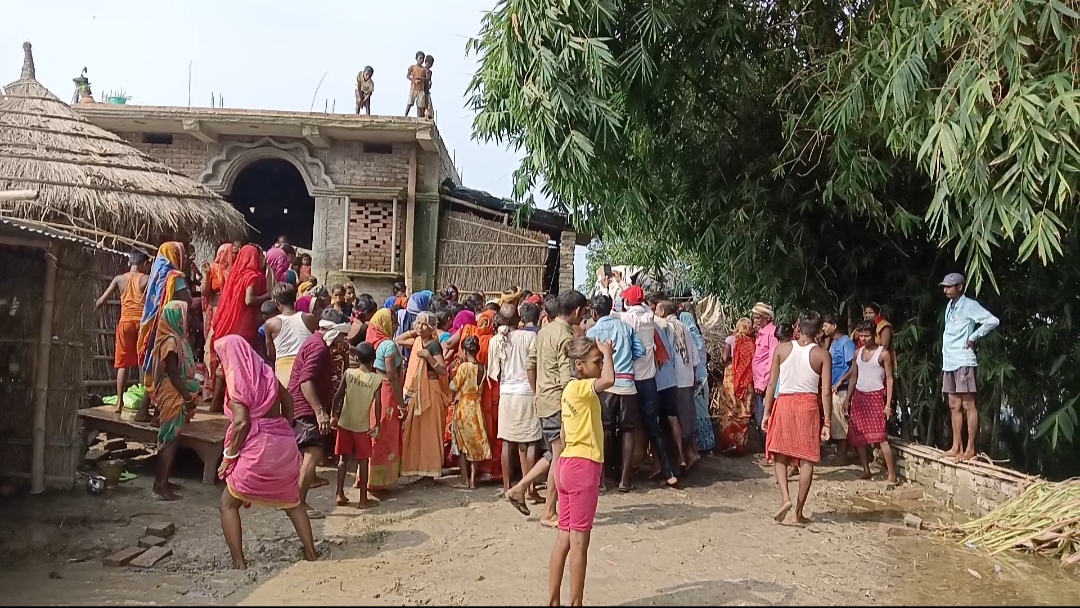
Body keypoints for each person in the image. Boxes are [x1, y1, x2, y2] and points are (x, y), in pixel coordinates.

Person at [214, 335, 317, 568]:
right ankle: (312, 554)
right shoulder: (265, 373)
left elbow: (241, 422)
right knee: (293, 502)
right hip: (283, 445)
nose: (220, 363)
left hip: (259, 449)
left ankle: (239, 563)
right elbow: (288, 400)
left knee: (228, 504)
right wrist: (285, 428)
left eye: (221, 358)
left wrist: (229, 457)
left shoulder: (238, 383)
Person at [510, 291, 589, 526]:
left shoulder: (545, 330)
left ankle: (520, 488)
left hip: (545, 400)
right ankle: (549, 511)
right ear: (577, 311)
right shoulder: (566, 336)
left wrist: (537, 392)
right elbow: (566, 379)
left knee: (554, 453)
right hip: (558, 403)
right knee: (559, 456)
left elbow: (530, 364)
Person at [547, 336, 615, 607]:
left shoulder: (569, 391)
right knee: (579, 542)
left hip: (566, 465)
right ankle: (575, 603)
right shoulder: (583, 388)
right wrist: (608, 353)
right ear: (579, 365)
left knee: (564, 537)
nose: (600, 366)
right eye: (596, 362)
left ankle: (553, 601)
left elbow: (564, 435)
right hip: (583, 466)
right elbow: (609, 380)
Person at [762, 312, 833, 524]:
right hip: (808, 406)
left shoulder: (782, 349)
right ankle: (798, 513)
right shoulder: (822, 355)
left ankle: (785, 498)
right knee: (807, 459)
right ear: (819, 331)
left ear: (797, 327)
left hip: (784, 403)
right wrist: (827, 422)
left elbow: (772, 383)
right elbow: (826, 392)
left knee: (780, 455)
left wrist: (766, 412)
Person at [615, 286, 678, 487]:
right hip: (649, 381)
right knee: (653, 427)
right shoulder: (650, 317)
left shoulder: (627, 318)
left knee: (626, 426)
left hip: (631, 380)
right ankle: (668, 471)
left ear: (628, 302)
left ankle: (622, 472)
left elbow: (613, 314)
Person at [585, 294, 644, 492]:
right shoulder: (626, 328)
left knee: (604, 430)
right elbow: (641, 351)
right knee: (628, 431)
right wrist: (625, 358)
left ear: (594, 312)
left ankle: (602, 479)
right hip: (627, 385)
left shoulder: (593, 331)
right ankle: (625, 480)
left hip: (605, 386)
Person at [289, 322, 348, 519]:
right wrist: (319, 411)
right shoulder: (319, 348)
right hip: (306, 406)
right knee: (312, 453)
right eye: (340, 336)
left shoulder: (314, 342)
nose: (341, 341)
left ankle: (293, 500)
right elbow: (305, 381)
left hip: (301, 405)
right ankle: (298, 503)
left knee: (307, 454)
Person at [939, 273, 999, 461]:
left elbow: (992, 321)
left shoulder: (970, 305)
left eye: (949, 286)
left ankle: (970, 449)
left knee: (968, 404)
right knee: (954, 405)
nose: (945, 290)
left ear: (960, 287)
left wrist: (973, 337)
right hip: (949, 361)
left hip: (963, 360)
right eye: (944, 286)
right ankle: (956, 446)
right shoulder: (950, 306)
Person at [489, 303, 543, 501]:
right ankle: (529, 489)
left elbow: (493, 373)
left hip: (507, 394)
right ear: (518, 318)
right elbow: (535, 366)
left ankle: (507, 488)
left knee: (507, 442)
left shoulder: (495, 340)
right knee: (530, 442)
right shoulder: (530, 337)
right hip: (527, 393)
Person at [135, 242, 192, 422]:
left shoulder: (156, 273)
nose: (185, 258)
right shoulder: (175, 276)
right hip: (169, 326)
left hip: (154, 327)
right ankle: (158, 415)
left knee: (157, 367)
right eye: (182, 254)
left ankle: (145, 411)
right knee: (168, 369)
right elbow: (186, 300)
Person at [148, 301, 199, 500]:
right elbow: (172, 372)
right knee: (169, 438)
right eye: (185, 315)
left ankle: (164, 480)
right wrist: (187, 397)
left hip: (176, 391)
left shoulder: (177, 339)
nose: (187, 319)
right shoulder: (170, 342)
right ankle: (160, 484)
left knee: (173, 437)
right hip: (173, 392)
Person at [211, 245, 270, 412]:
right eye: (260, 256)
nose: (262, 260)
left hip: (230, 324)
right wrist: (268, 295)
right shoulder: (252, 276)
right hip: (244, 327)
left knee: (226, 364)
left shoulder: (236, 274)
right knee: (239, 365)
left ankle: (216, 403)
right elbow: (249, 300)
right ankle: (236, 405)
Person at [397, 311, 450, 481]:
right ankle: (418, 470)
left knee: (430, 433)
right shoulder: (418, 342)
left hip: (431, 391)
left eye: (424, 324)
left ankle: (430, 472)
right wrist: (415, 331)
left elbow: (442, 370)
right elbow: (398, 339)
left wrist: (428, 357)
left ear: (432, 327)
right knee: (416, 432)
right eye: (418, 323)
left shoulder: (433, 345)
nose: (420, 326)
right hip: (417, 392)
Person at [96, 249, 151, 408]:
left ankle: (119, 401)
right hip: (142, 324)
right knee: (144, 362)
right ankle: (145, 403)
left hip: (125, 323)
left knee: (122, 365)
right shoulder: (146, 279)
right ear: (144, 264)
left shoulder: (119, 279)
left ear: (129, 262)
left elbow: (101, 301)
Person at [844, 321, 898, 482]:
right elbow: (854, 376)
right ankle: (866, 469)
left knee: (881, 437)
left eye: (866, 335)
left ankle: (892, 474)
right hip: (859, 396)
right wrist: (848, 398)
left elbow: (889, 379)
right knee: (859, 436)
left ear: (874, 335)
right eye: (861, 335)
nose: (863, 338)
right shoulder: (858, 352)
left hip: (876, 396)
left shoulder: (883, 354)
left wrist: (888, 404)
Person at [331, 342, 382, 507]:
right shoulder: (377, 379)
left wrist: (334, 415)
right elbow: (378, 404)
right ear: (373, 359)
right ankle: (363, 499)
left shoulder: (349, 373)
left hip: (345, 422)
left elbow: (338, 396)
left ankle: (339, 493)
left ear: (357, 358)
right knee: (363, 460)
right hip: (362, 426)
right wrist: (378, 424)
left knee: (343, 458)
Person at [656, 301, 701, 470]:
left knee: (676, 419)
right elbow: (695, 355)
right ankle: (691, 453)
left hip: (674, 380)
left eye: (657, 309)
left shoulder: (666, 327)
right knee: (687, 417)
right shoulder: (685, 326)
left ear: (662, 311)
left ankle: (684, 456)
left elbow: (668, 354)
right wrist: (692, 374)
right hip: (687, 377)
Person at [365, 309, 406, 492]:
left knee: (375, 431)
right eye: (393, 322)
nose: (396, 326)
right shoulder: (388, 345)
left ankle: (367, 477)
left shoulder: (375, 343)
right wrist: (402, 403)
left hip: (376, 387)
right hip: (387, 392)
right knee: (386, 434)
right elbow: (392, 374)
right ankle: (379, 481)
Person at [450, 336, 491, 488]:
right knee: (475, 444)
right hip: (476, 408)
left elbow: (453, 386)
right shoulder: (482, 367)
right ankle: (473, 480)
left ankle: (464, 480)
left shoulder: (464, 367)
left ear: (465, 351)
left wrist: (452, 373)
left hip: (463, 408)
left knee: (462, 445)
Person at [200, 243, 238, 400]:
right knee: (211, 348)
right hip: (215, 314)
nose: (236, 255)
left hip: (230, 314)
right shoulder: (212, 268)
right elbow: (205, 291)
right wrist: (206, 275)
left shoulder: (237, 270)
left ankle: (225, 392)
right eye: (233, 253)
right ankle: (211, 389)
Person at [264, 283, 318, 386]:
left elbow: (271, 354)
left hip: (284, 372)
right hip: (307, 368)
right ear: (295, 298)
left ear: (276, 302)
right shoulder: (309, 318)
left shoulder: (271, 324)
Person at [679, 305, 715, 453]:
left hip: (694, 376)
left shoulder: (687, 336)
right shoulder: (698, 336)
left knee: (695, 410)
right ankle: (707, 443)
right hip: (702, 374)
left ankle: (700, 444)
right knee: (702, 409)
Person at [718, 318, 755, 455]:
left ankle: (728, 442)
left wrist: (733, 360)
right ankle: (740, 445)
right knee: (743, 411)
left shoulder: (730, 339)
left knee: (729, 409)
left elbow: (724, 358)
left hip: (731, 376)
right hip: (746, 379)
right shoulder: (753, 342)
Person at [823, 313, 855, 464]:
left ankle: (843, 456)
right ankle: (840, 454)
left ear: (834, 326)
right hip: (833, 388)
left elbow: (854, 366)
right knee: (836, 423)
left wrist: (842, 380)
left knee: (842, 423)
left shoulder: (846, 343)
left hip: (842, 388)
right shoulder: (833, 343)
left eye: (826, 325)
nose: (823, 328)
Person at [751, 302, 779, 436]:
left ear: (767, 317)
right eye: (755, 317)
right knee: (759, 418)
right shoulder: (761, 333)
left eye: (758, 317)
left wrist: (762, 383)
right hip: (758, 383)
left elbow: (772, 360)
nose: (756, 320)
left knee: (764, 419)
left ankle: (769, 446)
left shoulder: (772, 333)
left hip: (765, 384)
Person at [405, 51, 429, 117]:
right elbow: (407, 76)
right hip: (413, 88)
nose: (421, 60)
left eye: (423, 59)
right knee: (409, 103)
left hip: (421, 90)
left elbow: (427, 79)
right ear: (416, 58)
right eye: (420, 58)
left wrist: (421, 79)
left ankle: (418, 118)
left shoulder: (424, 69)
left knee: (419, 106)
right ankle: (405, 116)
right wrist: (413, 80)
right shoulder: (413, 67)